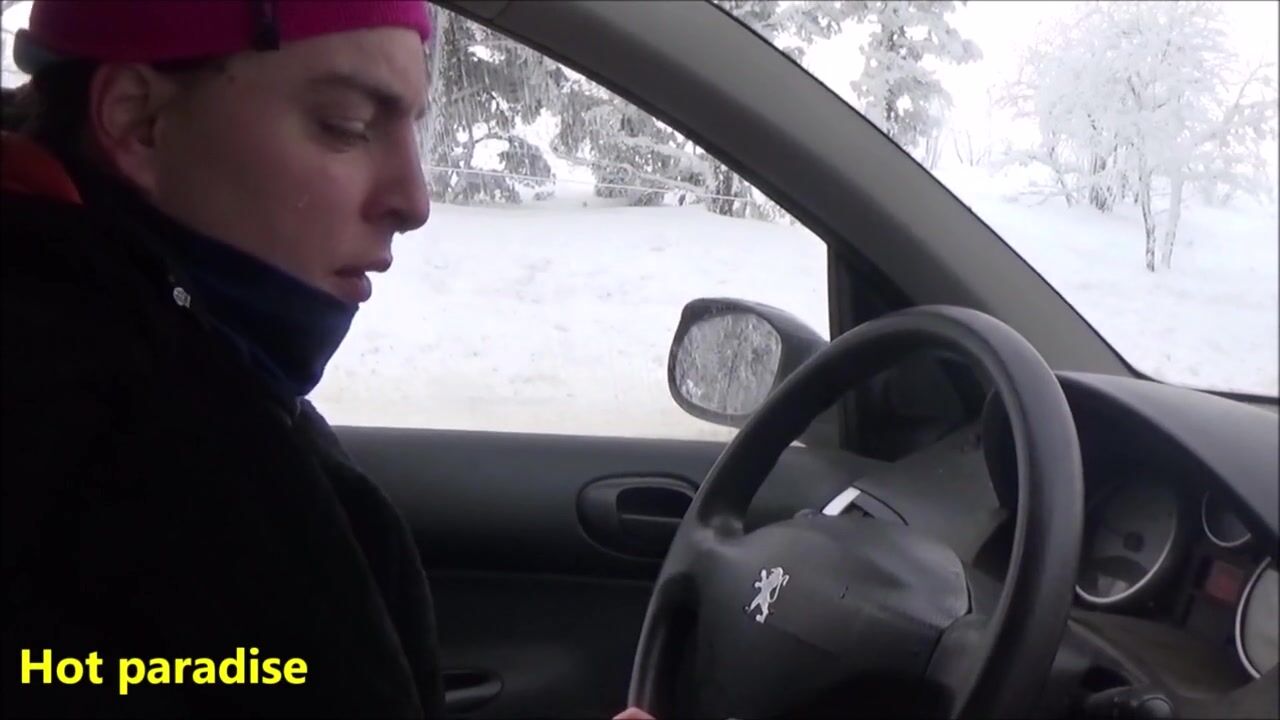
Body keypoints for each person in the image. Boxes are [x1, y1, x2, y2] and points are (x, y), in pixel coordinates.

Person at [0, 1, 653, 717]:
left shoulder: (167, 367)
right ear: (138, 121)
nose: (414, 200)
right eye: (347, 124)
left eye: (414, 126)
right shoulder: (110, 460)